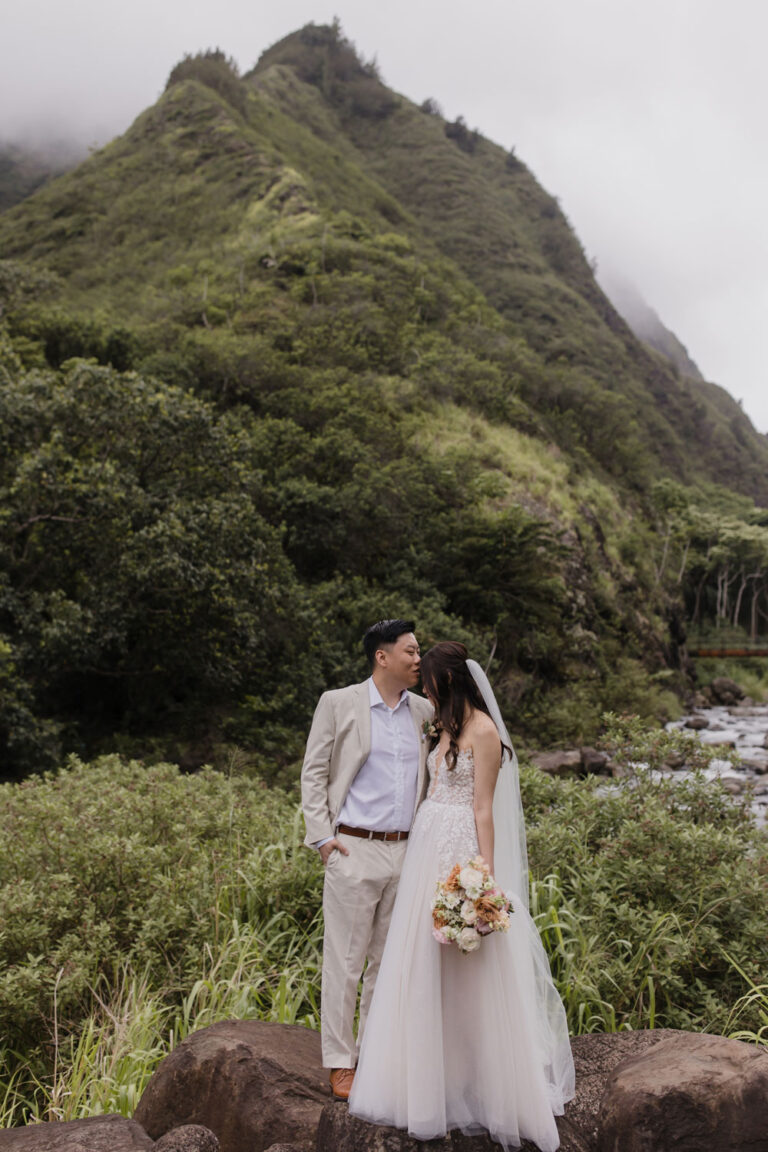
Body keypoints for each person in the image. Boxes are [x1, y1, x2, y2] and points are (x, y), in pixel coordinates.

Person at [348, 641, 575, 1151]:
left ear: (447, 682)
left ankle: (475, 1080)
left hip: (458, 850)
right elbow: (429, 791)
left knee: (465, 966)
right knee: (420, 959)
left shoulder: (484, 732)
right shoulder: (443, 728)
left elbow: (483, 810)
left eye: (428, 681)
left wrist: (484, 879)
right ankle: (426, 1076)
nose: (423, 688)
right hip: (426, 846)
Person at [301, 619, 433, 1101]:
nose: (419, 659)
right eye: (411, 651)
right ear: (383, 656)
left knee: (389, 963)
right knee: (346, 963)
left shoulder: (424, 711)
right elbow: (313, 772)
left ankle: (375, 1055)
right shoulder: (339, 703)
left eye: (419, 651)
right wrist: (321, 838)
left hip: (408, 850)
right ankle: (341, 1063)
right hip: (354, 848)